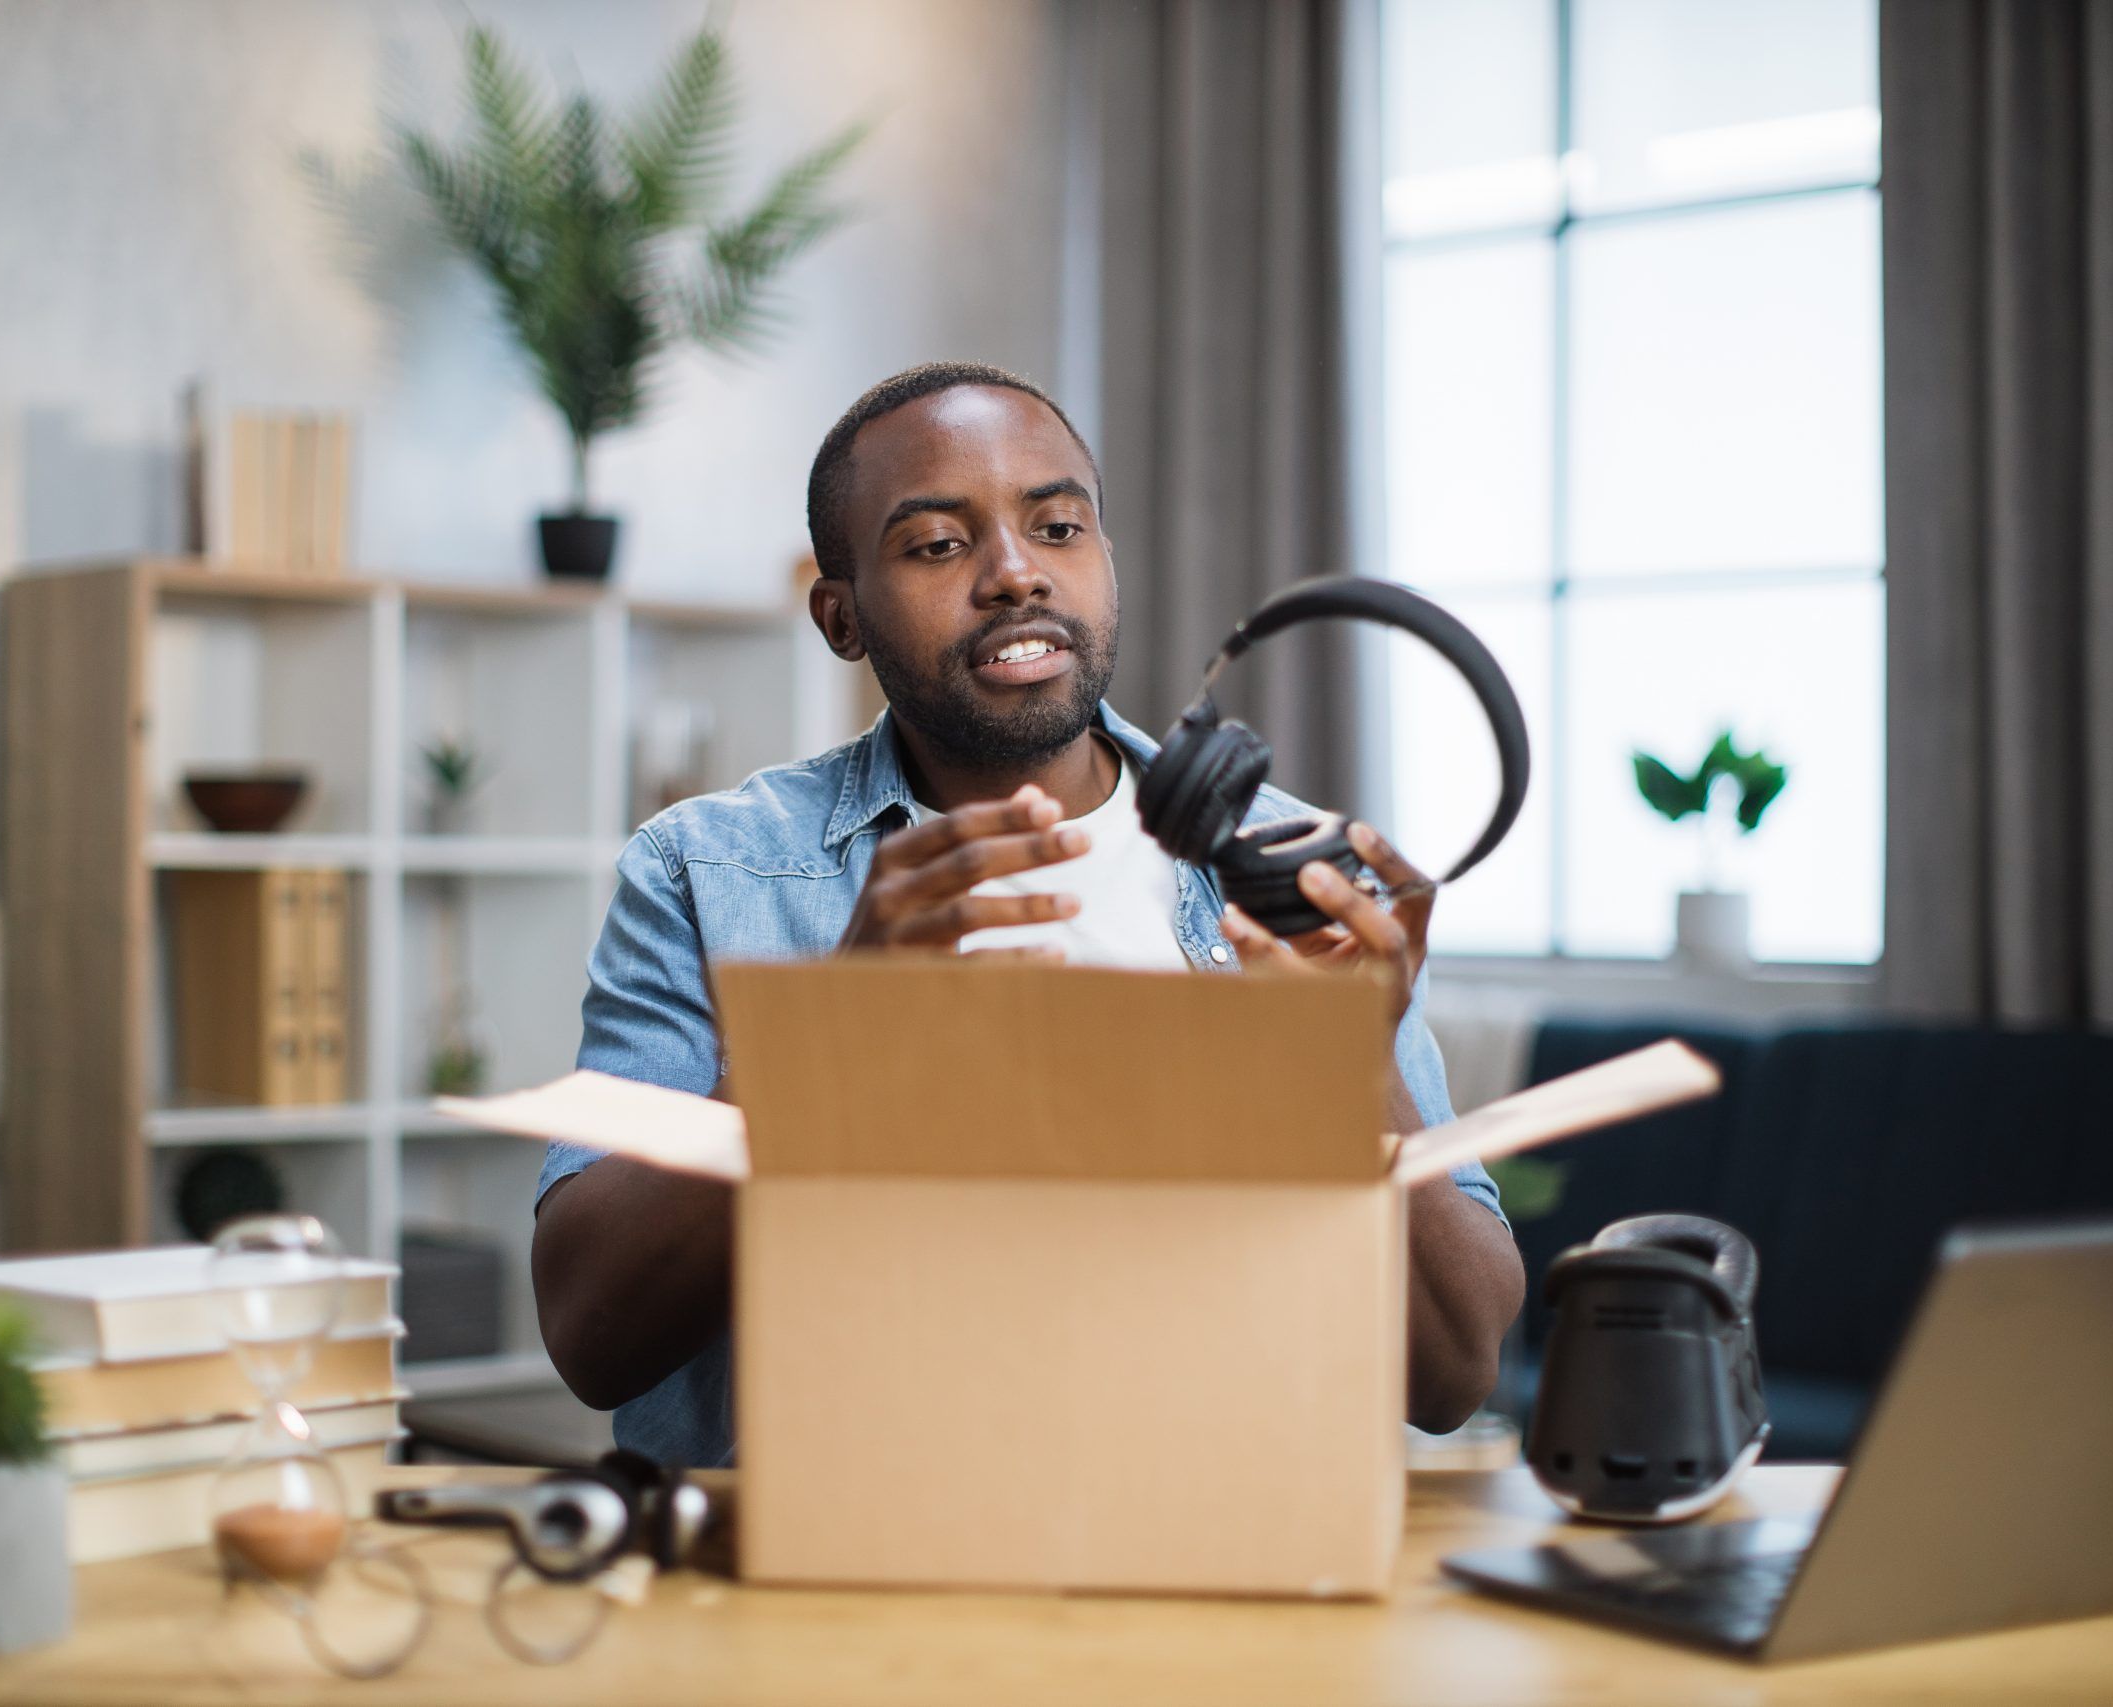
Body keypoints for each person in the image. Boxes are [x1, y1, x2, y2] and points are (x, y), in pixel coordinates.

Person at [531, 361, 1525, 1468]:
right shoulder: (706, 871)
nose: (1014, 575)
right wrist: (822, 1043)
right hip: (830, 1583)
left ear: (1105, 562)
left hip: (1229, 1556)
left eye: (1057, 527)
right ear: (840, 615)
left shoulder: (1301, 877)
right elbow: (592, 1339)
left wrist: (1351, 1065)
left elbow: (1452, 1372)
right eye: (937, 545)